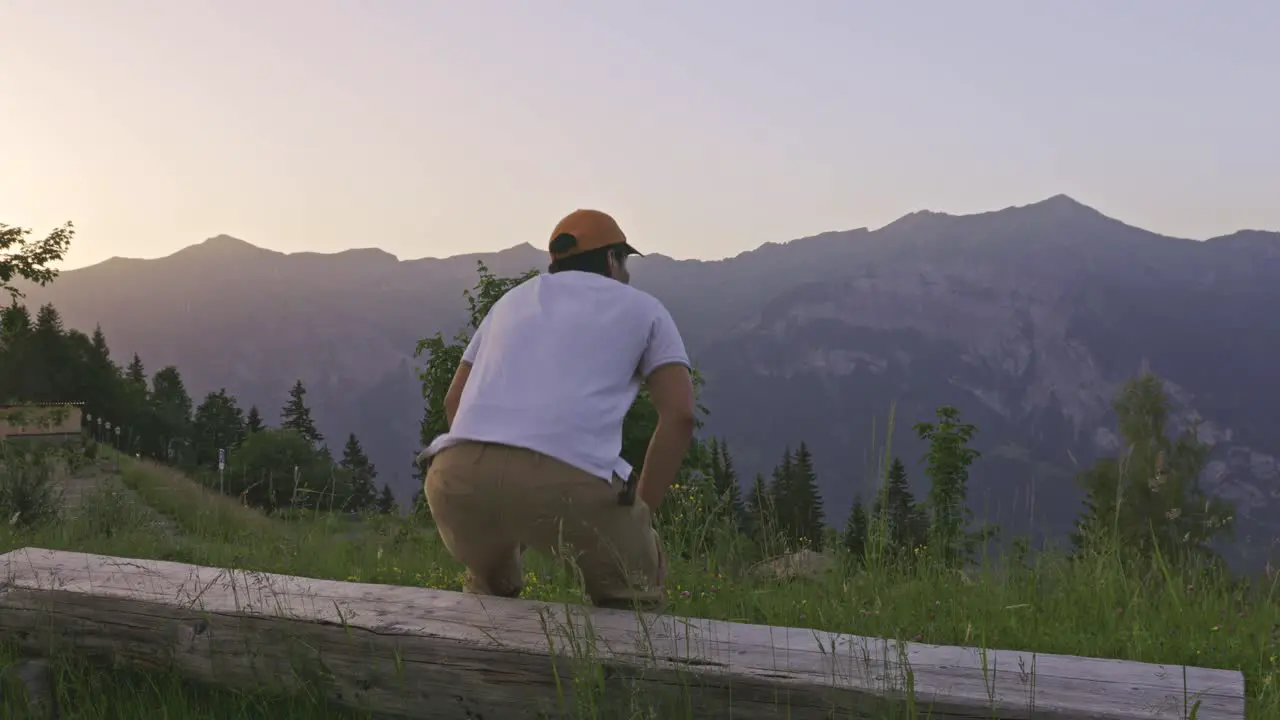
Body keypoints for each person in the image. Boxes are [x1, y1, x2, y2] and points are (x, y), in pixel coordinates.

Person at [419, 209, 696, 610]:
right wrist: (641, 512)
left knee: (487, 598)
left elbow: (453, 401)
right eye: (625, 261)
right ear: (610, 260)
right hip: (569, 479)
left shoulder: (510, 302)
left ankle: (482, 658)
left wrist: (496, 472)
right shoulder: (645, 308)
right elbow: (680, 415)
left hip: (454, 474)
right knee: (633, 600)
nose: (627, 274)